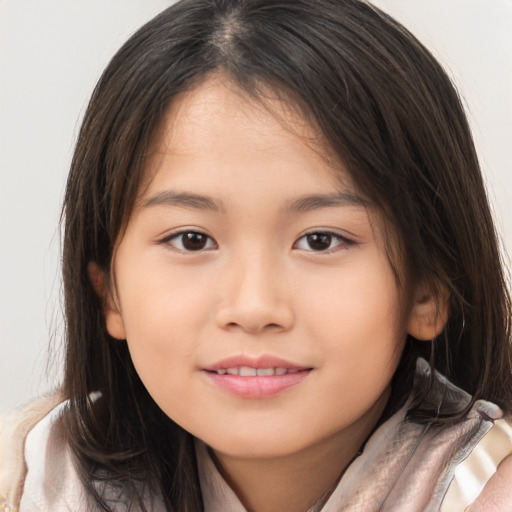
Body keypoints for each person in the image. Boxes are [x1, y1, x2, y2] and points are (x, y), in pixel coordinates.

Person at [1, 0, 511, 510]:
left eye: (320, 240)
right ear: (110, 291)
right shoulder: (30, 482)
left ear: (427, 290)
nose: (253, 307)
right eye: (192, 239)